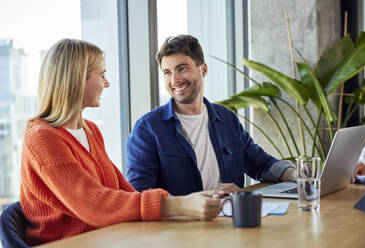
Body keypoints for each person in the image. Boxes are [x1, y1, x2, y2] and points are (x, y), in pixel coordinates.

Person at [20, 39, 222, 246]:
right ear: (77, 79)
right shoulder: (42, 138)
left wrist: (191, 203)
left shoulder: (90, 130)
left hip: (107, 237)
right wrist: (180, 205)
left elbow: (122, 191)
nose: (106, 84)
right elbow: (94, 204)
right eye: (102, 75)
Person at [126, 34, 297, 196]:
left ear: (204, 69)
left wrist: (296, 174)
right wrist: (199, 200)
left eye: (182, 69)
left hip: (230, 219)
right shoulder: (147, 128)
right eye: (167, 72)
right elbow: (140, 195)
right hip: (179, 225)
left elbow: (260, 164)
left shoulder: (227, 119)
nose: (175, 80)